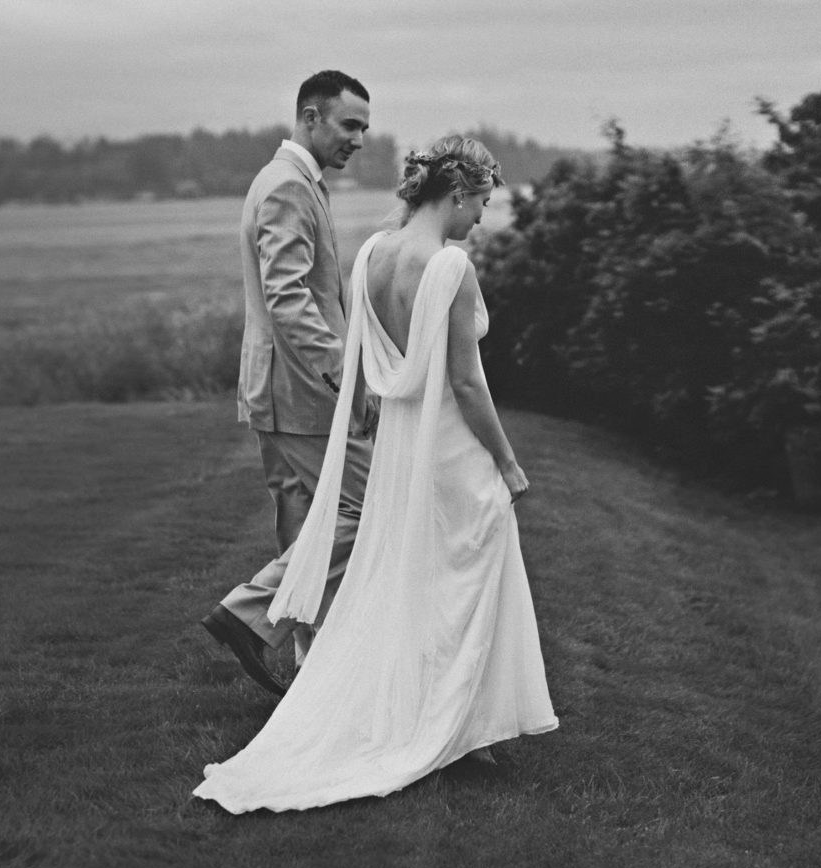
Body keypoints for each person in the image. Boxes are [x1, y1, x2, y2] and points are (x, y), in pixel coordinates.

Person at [193, 136, 558, 813]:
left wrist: (366, 413)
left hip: (398, 446)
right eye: (479, 202)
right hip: (449, 449)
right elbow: (466, 384)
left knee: (416, 578)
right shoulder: (449, 265)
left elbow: (362, 363)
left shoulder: (370, 257)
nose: (479, 217)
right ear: (455, 194)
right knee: (463, 585)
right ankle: (458, 730)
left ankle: (449, 722)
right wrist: (506, 462)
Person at [200, 70, 376, 695]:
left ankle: (311, 663)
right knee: (368, 506)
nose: (359, 139)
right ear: (310, 116)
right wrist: (347, 373)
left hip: (278, 388)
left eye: (363, 127)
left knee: (301, 519)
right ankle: (248, 612)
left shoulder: (294, 182)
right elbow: (288, 297)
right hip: (300, 391)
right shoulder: (287, 186)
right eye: (349, 124)